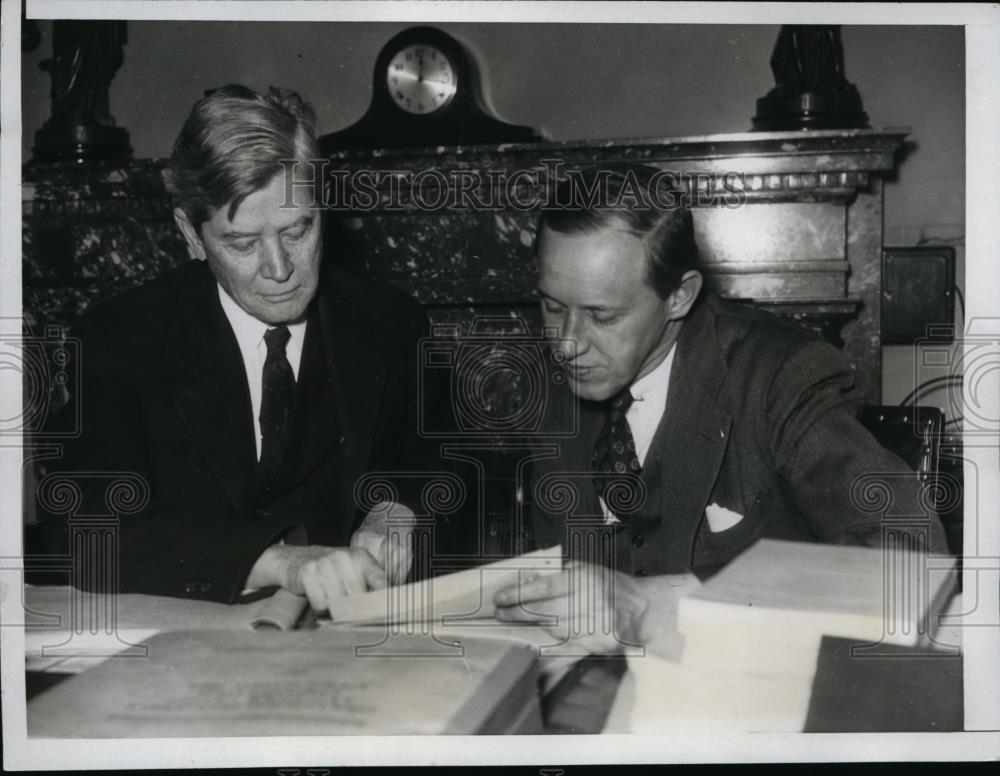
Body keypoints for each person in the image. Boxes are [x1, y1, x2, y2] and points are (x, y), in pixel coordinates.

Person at [494, 164, 949, 655]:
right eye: (552, 306)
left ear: (679, 296)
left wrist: (659, 601)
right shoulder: (555, 386)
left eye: (601, 315)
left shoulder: (780, 374)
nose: (566, 344)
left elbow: (909, 558)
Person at [40, 85, 440, 611]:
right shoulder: (118, 340)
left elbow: (435, 459)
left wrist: (398, 510)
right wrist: (276, 563)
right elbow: (84, 526)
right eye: (243, 243)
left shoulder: (390, 322)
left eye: (298, 229)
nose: (280, 270)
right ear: (190, 233)